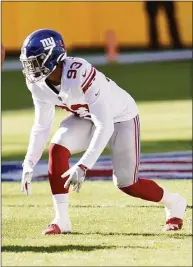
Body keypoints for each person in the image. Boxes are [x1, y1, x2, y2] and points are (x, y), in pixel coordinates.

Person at [20, 29, 186, 235]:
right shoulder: (37, 84)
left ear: (53, 56)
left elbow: (105, 125)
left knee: (127, 184)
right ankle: (61, 220)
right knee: (57, 149)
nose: (31, 68)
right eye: (28, 63)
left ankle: (175, 202)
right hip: (86, 116)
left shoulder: (78, 72)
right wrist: (29, 161)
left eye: (36, 61)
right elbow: (42, 125)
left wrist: (83, 165)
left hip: (119, 117)